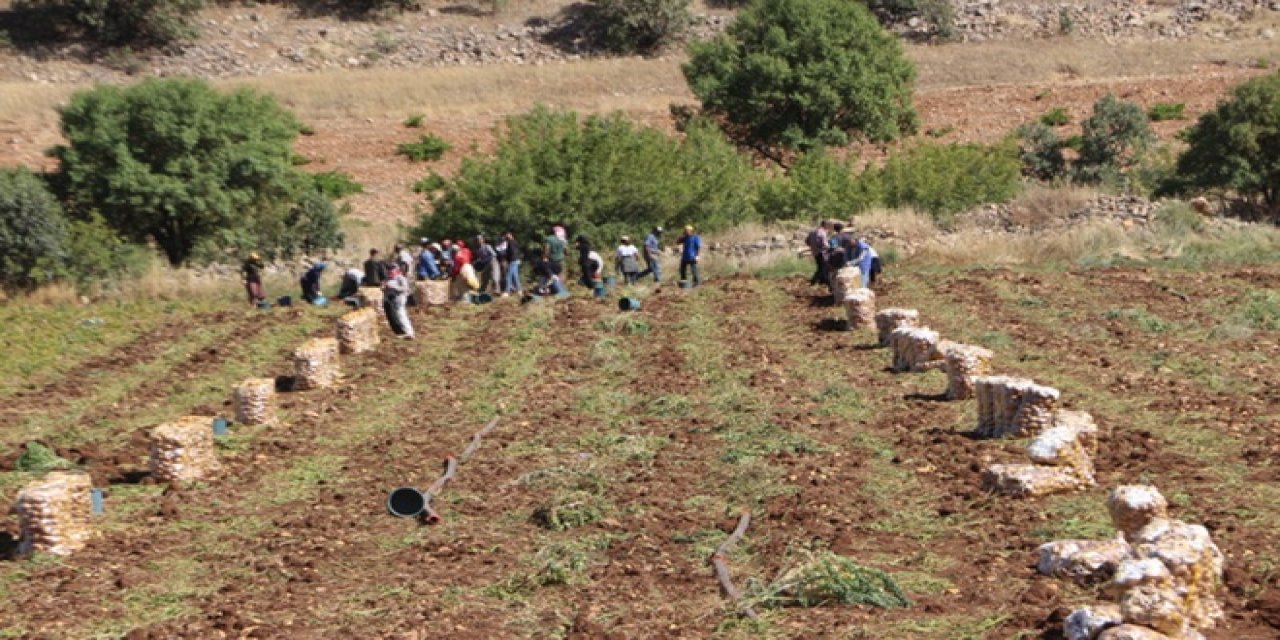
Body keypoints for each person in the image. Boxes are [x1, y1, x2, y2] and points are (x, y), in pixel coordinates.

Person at [382, 264, 415, 339]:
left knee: (401, 314)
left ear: (396, 271)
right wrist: (384, 287)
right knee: (395, 316)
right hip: (391, 300)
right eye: (389, 272)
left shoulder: (400, 278)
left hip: (400, 299)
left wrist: (394, 287)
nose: (390, 273)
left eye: (392, 272)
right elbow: (383, 288)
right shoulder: (387, 279)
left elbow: (405, 288)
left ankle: (409, 332)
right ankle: (402, 331)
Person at [544, 225, 568, 293]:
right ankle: (560, 290)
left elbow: (547, 249)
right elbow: (566, 252)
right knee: (561, 276)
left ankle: (551, 290)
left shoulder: (549, 239)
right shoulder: (563, 240)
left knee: (551, 276)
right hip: (560, 261)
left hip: (551, 261)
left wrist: (545, 257)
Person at [807, 220, 830, 286]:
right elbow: (825, 244)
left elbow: (807, 241)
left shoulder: (812, 232)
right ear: (825, 225)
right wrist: (830, 248)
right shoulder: (822, 233)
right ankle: (813, 281)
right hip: (821, 252)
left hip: (815, 252)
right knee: (823, 267)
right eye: (828, 226)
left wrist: (812, 246)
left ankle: (822, 281)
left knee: (820, 266)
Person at [502, 231, 522, 296]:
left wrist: (507, 260)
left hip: (513, 260)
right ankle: (519, 290)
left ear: (511, 235)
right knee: (515, 276)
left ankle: (507, 292)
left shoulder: (510, 242)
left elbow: (512, 252)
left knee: (508, 276)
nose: (507, 237)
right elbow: (517, 251)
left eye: (508, 235)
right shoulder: (515, 242)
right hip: (516, 260)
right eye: (506, 236)